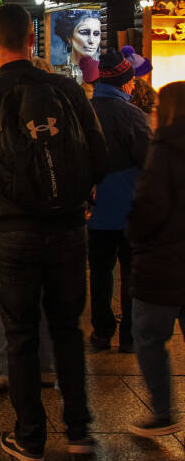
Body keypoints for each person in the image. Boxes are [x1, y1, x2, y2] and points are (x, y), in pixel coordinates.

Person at [0, 3, 108, 461]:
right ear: (32, 40)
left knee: (19, 331)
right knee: (67, 329)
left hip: (10, 227)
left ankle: (31, 438)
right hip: (65, 227)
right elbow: (98, 157)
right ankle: (79, 431)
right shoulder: (68, 91)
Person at [126, 82, 185, 436]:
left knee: (148, 335)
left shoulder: (163, 149)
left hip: (163, 262)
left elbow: (149, 205)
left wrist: (136, 236)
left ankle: (163, 410)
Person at [88, 48, 151, 353]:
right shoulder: (131, 115)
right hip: (129, 209)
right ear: (124, 82)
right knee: (131, 274)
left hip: (94, 211)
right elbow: (148, 161)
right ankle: (128, 335)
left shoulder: (84, 111)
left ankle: (101, 331)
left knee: (99, 273)